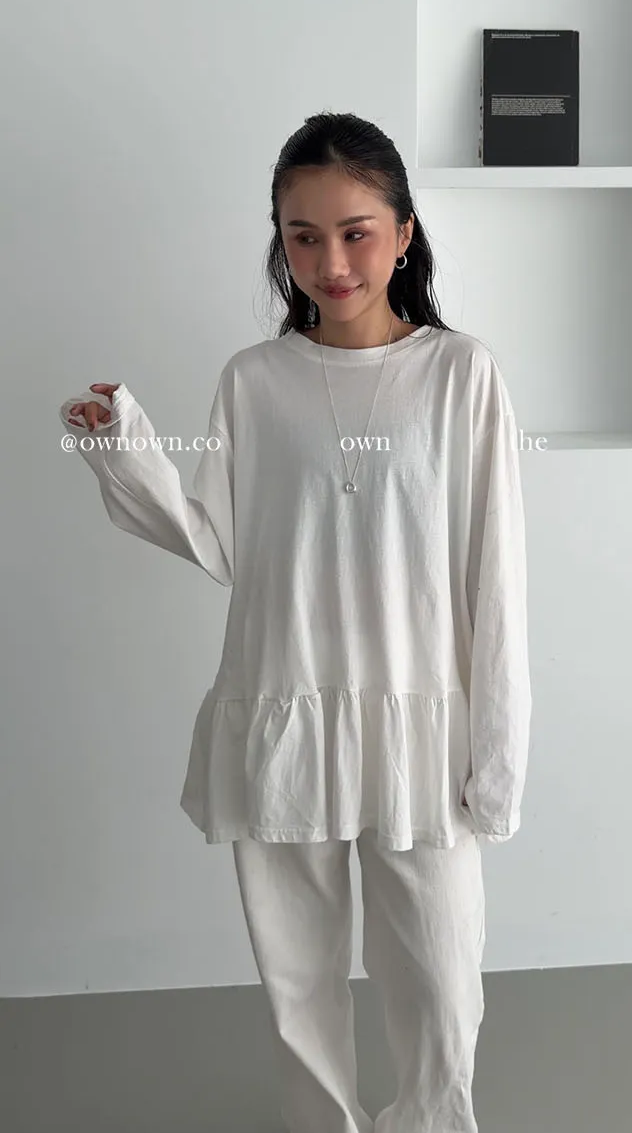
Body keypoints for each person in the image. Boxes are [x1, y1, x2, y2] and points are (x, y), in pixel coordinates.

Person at [58, 111, 532, 1133]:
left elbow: (494, 580)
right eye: (302, 235)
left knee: (442, 987)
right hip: (284, 709)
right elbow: (221, 542)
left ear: (403, 232)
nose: (331, 262)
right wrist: (123, 449)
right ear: (280, 239)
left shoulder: (460, 375)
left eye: (355, 232)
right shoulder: (255, 380)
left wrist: (496, 757)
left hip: (417, 726)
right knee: (298, 984)